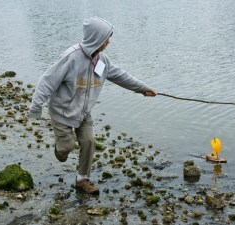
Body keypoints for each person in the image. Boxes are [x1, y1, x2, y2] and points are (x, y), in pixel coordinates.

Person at [29, 17, 156, 195]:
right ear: (95, 37)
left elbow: (120, 75)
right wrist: (36, 107)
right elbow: (47, 81)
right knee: (67, 148)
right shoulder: (71, 57)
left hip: (83, 112)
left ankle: (82, 179)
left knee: (89, 142)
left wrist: (143, 89)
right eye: (106, 38)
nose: (108, 42)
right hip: (62, 112)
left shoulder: (102, 60)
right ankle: (60, 149)